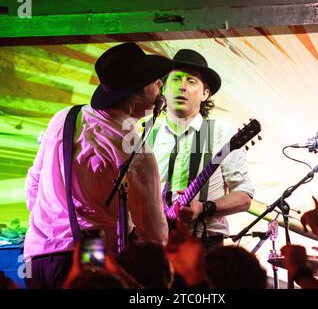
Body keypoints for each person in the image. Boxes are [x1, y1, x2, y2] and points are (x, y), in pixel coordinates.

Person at [23, 42, 173, 289]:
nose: (160, 85)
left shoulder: (64, 117)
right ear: (137, 91)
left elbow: (33, 186)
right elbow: (153, 234)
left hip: (37, 254)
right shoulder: (134, 149)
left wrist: (52, 227)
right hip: (90, 257)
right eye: (155, 80)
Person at [147, 49, 254, 250]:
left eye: (191, 81)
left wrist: (205, 208)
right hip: (156, 246)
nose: (182, 87)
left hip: (205, 246)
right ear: (163, 88)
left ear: (206, 93)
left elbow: (244, 197)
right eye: (176, 79)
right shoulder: (148, 133)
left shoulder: (222, 134)